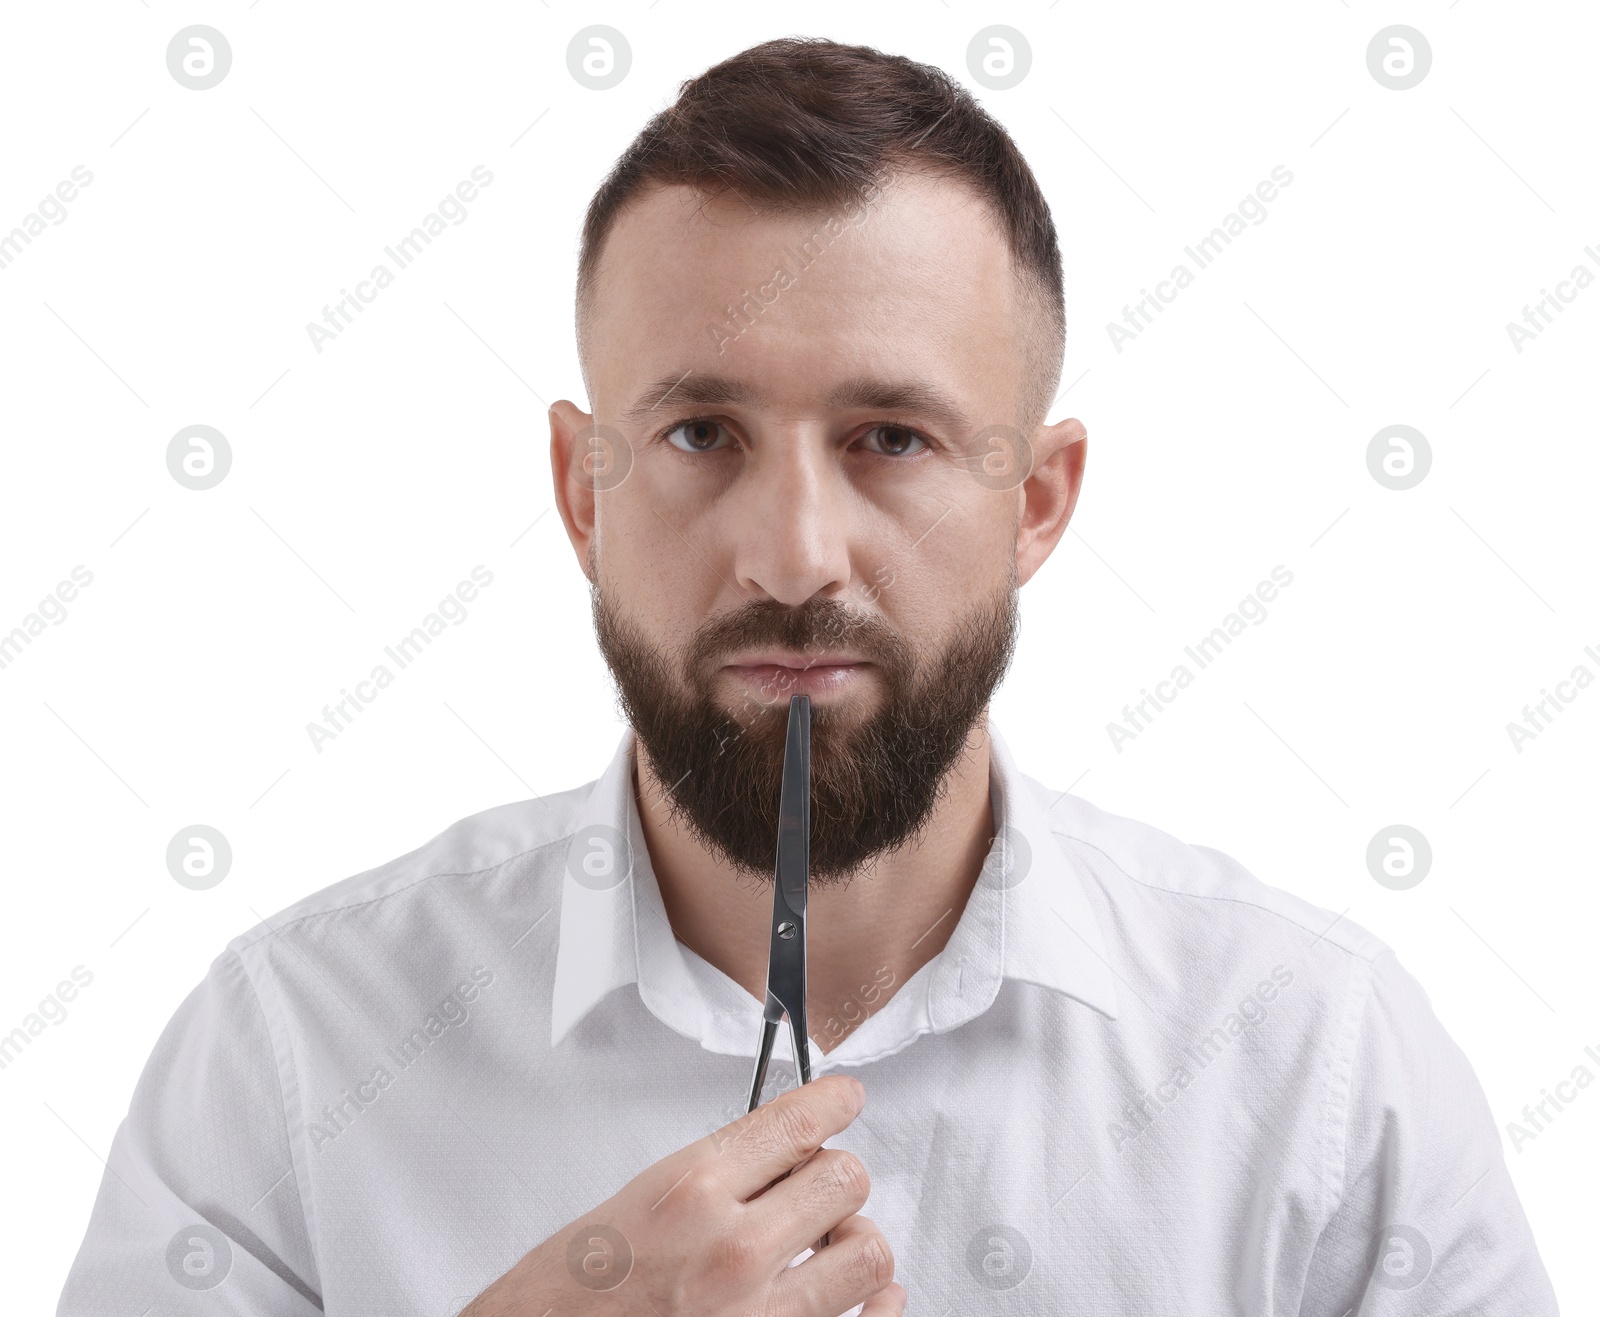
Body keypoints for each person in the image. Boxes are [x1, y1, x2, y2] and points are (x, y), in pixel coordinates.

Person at [58, 36, 1557, 1317]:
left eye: (889, 438)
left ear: (1036, 501)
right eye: (702, 432)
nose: (790, 554)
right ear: (586, 492)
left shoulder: (1321, 1067)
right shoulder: (293, 1051)